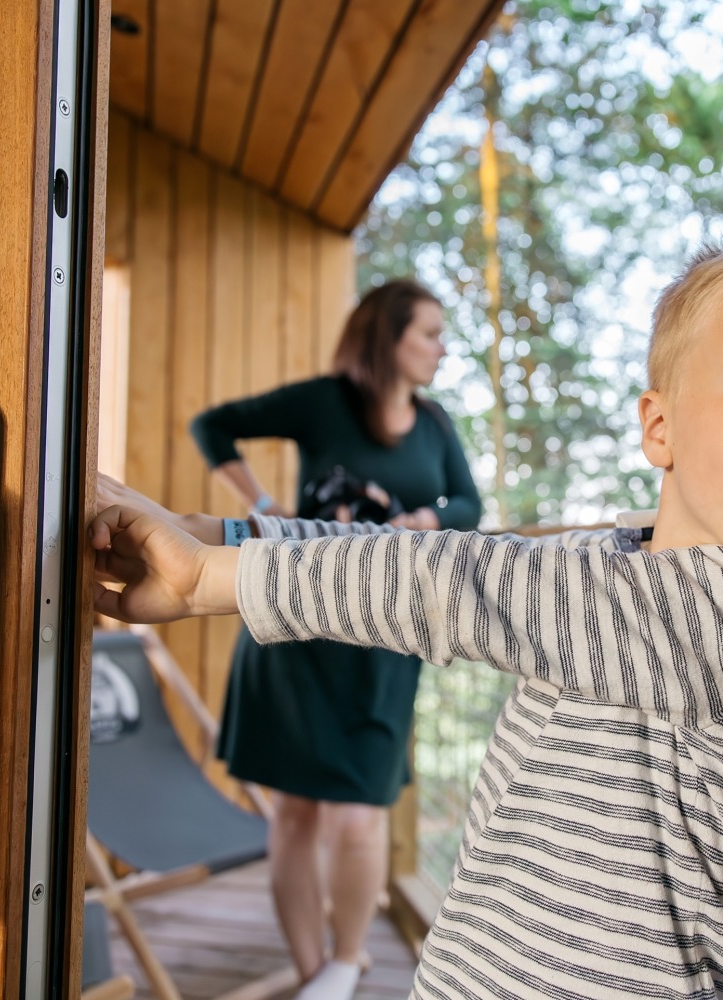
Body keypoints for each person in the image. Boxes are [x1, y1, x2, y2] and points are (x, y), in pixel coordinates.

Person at [90, 212, 723, 999]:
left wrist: (210, 576)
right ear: (659, 427)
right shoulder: (610, 563)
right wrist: (226, 530)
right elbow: (464, 562)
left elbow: (463, 581)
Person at [186, 279, 482, 998]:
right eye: (430, 333)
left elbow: (469, 504)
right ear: (389, 339)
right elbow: (212, 426)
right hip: (296, 629)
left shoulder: (437, 425)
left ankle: (347, 962)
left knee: (358, 814)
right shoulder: (325, 402)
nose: (443, 347)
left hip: (383, 642)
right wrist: (263, 507)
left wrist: (426, 524)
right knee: (294, 814)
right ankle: (315, 968)